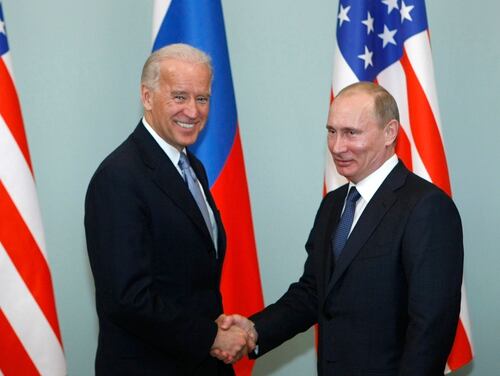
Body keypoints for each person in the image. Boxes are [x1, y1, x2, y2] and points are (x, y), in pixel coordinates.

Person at [217, 82, 464, 375]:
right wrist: (255, 330)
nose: (337, 146)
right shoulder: (334, 204)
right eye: (332, 131)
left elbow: (430, 328)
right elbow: (314, 291)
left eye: (351, 133)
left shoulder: (426, 208)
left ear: (390, 132)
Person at [84, 43, 253, 376]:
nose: (192, 111)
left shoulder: (192, 167)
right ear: (147, 97)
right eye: (179, 96)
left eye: (202, 98)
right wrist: (211, 336)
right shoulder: (119, 177)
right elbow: (128, 298)